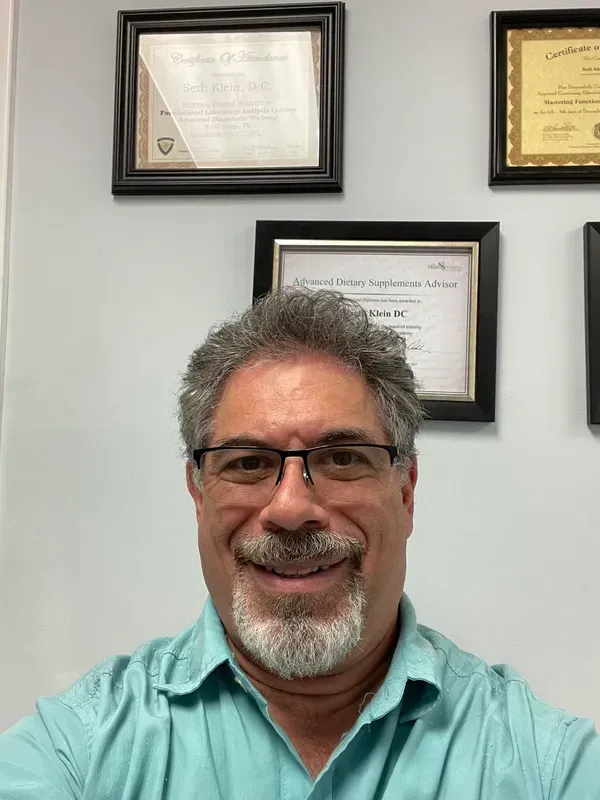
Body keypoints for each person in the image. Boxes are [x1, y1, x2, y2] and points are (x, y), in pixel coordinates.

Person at [0, 289, 598, 799]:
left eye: (341, 458)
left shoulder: (550, 766)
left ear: (406, 490)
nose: (289, 508)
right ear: (198, 491)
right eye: (249, 462)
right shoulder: (75, 752)